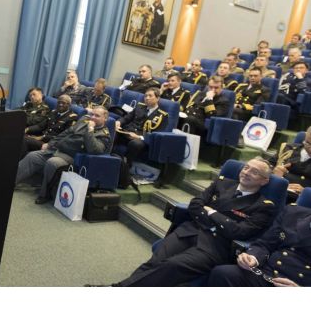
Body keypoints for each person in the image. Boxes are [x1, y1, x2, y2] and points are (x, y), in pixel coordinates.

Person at [110, 158, 277, 286]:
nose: (246, 172)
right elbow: (195, 205)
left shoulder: (263, 206)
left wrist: (211, 212)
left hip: (215, 246)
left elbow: (240, 232)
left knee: (172, 265)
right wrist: (217, 220)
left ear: (264, 181)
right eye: (246, 167)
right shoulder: (222, 183)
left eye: (255, 172)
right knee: (156, 261)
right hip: (190, 230)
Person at [16, 106, 111, 204]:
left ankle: (45, 194)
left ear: (105, 118)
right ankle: (11, 182)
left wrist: (90, 130)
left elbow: (94, 150)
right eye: (92, 114)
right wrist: (50, 144)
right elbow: (66, 133)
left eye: (97, 116)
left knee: (52, 163)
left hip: (72, 157)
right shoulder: (83, 122)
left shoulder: (103, 134)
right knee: (33, 156)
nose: (93, 117)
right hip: (57, 150)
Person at [208, 203, 311, 287]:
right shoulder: (292, 212)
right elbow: (266, 243)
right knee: (222, 273)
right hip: (267, 273)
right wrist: (253, 257)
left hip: (298, 284)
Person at [113, 88, 168, 167]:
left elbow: (156, 134)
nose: (147, 98)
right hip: (127, 132)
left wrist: (139, 137)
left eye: (150, 96)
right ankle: (108, 157)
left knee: (135, 144)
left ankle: (126, 165)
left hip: (141, 139)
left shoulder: (162, 115)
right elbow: (127, 118)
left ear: (157, 98)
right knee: (112, 131)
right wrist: (118, 122)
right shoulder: (139, 106)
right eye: (145, 96)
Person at [20, 94, 78, 159]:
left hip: (50, 144)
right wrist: (27, 129)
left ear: (69, 105)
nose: (60, 104)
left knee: (25, 140)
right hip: (41, 138)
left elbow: (64, 136)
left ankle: (18, 161)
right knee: (20, 135)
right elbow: (40, 126)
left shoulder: (72, 118)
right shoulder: (53, 112)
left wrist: (41, 137)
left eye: (63, 103)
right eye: (59, 102)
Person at [270, 126, 311, 203]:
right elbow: (266, 166)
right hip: (276, 192)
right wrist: (274, 173)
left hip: (301, 202)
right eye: (308, 143)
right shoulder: (288, 149)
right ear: (305, 138)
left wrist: (306, 192)